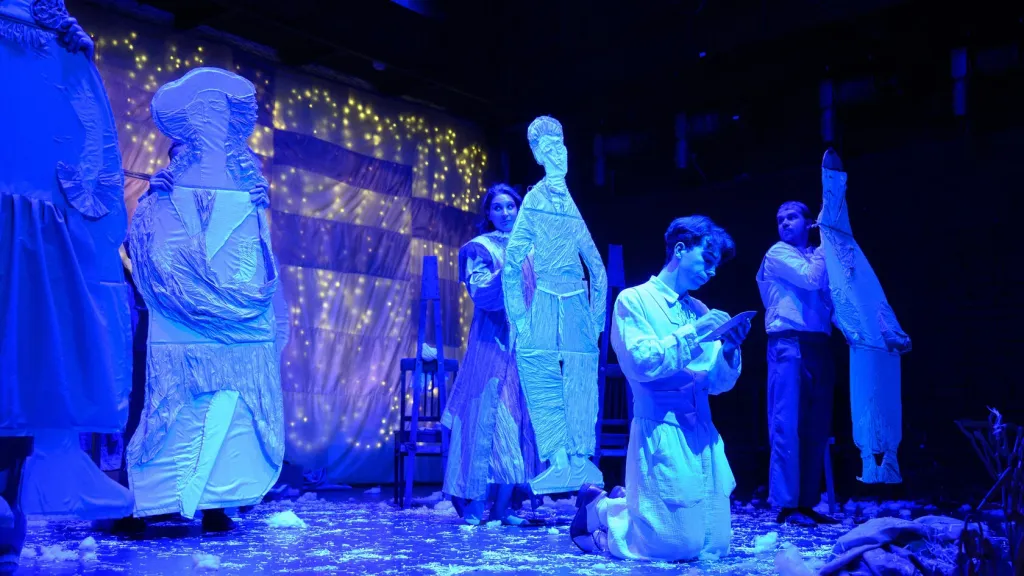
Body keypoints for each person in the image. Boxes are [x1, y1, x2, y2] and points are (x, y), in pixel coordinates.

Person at [1, 1, 131, 572]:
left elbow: (92, 148)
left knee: (30, 359)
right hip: (33, 206)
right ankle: (10, 498)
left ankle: (10, 494)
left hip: (37, 209)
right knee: (28, 355)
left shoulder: (56, 37)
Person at [570, 216, 750, 561]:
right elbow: (642, 364)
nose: (712, 272)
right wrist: (696, 331)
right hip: (661, 427)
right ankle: (603, 509)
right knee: (671, 546)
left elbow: (716, 384)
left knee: (713, 545)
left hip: (701, 433)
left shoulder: (698, 309)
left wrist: (728, 349)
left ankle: (622, 503)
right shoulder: (634, 300)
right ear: (680, 250)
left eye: (716, 266)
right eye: (707, 260)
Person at [502, 116, 607, 495]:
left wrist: (596, 319)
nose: (558, 154)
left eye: (561, 147)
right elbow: (512, 264)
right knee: (536, 366)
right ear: (538, 156)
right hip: (546, 298)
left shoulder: (569, 203)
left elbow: (596, 266)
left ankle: (580, 460)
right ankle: (559, 459)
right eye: (549, 149)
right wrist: (519, 319)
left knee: (581, 375)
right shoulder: (534, 201)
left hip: (576, 301)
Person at [441, 184, 539, 525]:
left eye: (510, 206)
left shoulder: (532, 248)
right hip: (491, 343)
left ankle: (502, 509)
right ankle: (473, 502)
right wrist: (509, 268)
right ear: (488, 213)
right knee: (487, 419)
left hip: (523, 346)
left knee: (516, 420)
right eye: (498, 207)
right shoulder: (480, 248)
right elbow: (482, 293)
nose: (505, 213)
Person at [756, 193, 840, 527]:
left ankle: (806, 502)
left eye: (791, 217)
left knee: (816, 427)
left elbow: (832, 299)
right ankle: (786, 504)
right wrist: (826, 243)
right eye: (780, 219)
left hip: (819, 344)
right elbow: (810, 279)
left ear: (809, 223)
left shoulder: (817, 257)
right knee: (787, 425)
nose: (784, 223)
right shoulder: (778, 253)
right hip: (788, 343)